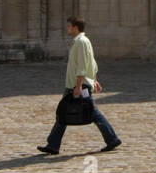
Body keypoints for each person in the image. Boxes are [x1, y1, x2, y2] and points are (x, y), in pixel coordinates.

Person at [38, 17, 121, 155]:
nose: (68, 29)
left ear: (75, 27)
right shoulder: (81, 42)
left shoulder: (81, 42)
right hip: (77, 84)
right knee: (64, 113)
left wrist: (78, 86)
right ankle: (53, 144)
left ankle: (112, 139)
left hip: (78, 86)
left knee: (92, 113)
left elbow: (83, 65)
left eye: (69, 26)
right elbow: (92, 63)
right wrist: (94, 80)